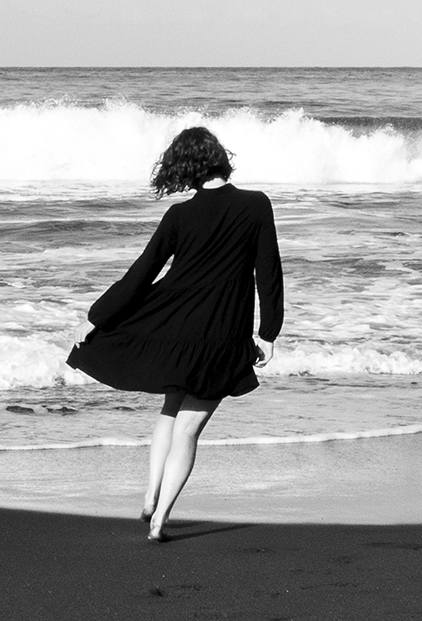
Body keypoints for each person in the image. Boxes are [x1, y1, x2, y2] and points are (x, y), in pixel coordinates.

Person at [66, 126, 284, 542]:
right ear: (220, 157)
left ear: (186, 167)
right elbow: (268, 272)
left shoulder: (179, 215)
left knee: (170, 412)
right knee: (188, 429)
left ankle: (150, 496)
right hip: (221, 333)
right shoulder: (256, 206)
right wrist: (268, 332)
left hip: (175, 328)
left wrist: (96, 318)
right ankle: (160, 519)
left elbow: (141, 273)